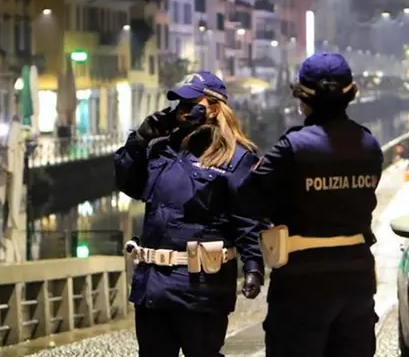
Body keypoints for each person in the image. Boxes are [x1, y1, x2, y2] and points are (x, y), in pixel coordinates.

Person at [236, 52, 384, 357]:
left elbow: (246, 198)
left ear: (303, 98)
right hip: (356, 276)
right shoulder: (369, 145)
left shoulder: (292, 148)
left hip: (302, 281)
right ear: (350, 93)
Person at [113, 71, 266, 357]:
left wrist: (253, 265)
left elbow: (246, 218)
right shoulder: (161, 150)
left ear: (215, 107)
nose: (182, 112)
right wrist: (139, 139)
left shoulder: (237, 158)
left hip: (202, 288)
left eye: (190, 104)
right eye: (178, 106)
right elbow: (127, 182)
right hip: (153, 286)